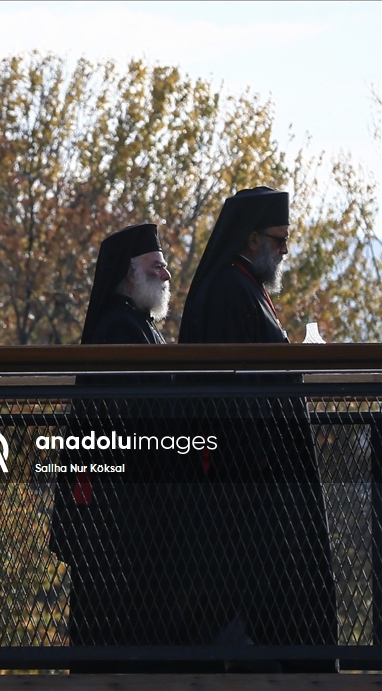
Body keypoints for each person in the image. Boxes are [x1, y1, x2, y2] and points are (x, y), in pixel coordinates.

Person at [178, 187, 337, 669]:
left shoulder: (247, 286)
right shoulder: (230, 289)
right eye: (278, 238)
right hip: (246, 486)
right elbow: (233, 391)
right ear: (250, 239)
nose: (286, 249)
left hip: (260, 479)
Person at [52, 224, 186, 663]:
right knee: (112, 629)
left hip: (136, 506)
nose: (166, 276)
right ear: (130, 274)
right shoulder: (118, 327)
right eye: (157, 266)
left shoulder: (140, 324)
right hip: (116, 512)